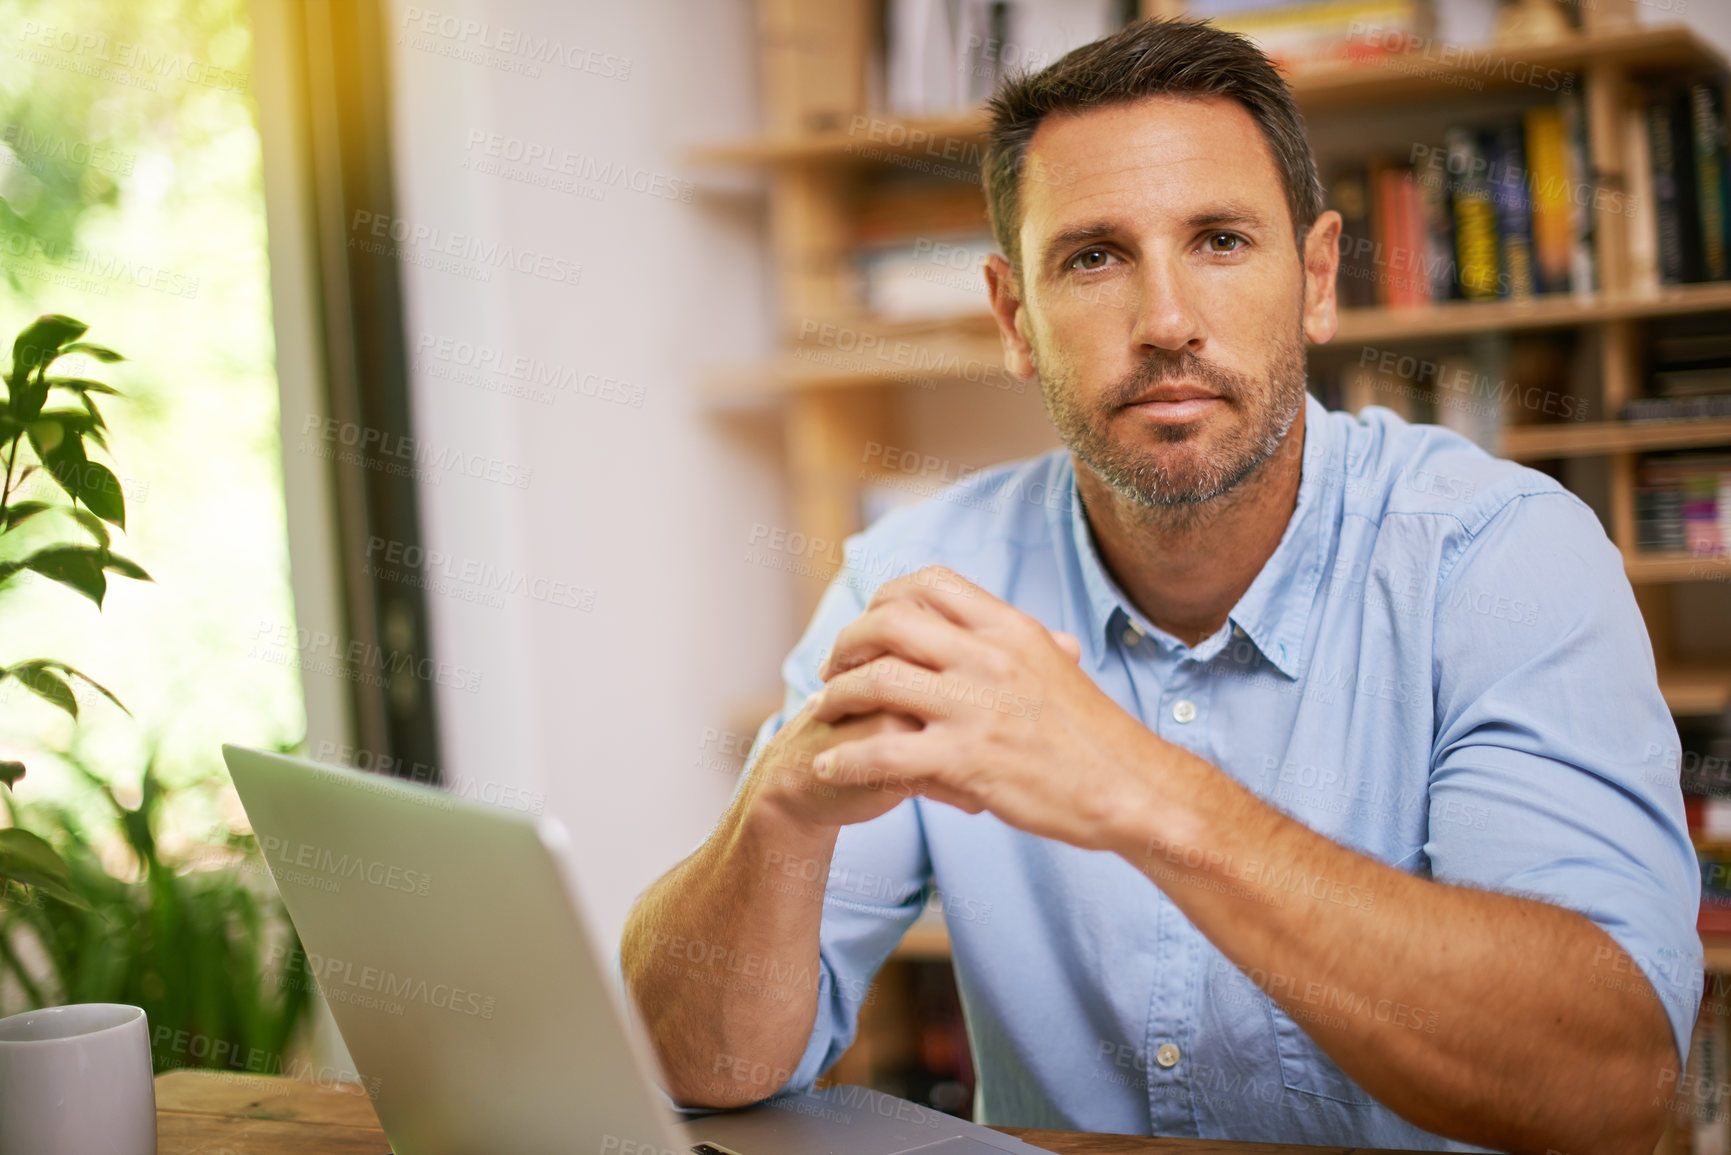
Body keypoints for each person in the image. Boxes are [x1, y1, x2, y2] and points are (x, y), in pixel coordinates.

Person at [621, 17, 1700, 1153]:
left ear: (1318, 279)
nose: (1167, 323)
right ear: (1013, 319)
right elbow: (692, 1070)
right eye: (1094, 257)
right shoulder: (915, 583)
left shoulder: (1505, 556)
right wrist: (775, 819)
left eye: (1222, 240)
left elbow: (1609, 1088)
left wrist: (1138, 789)